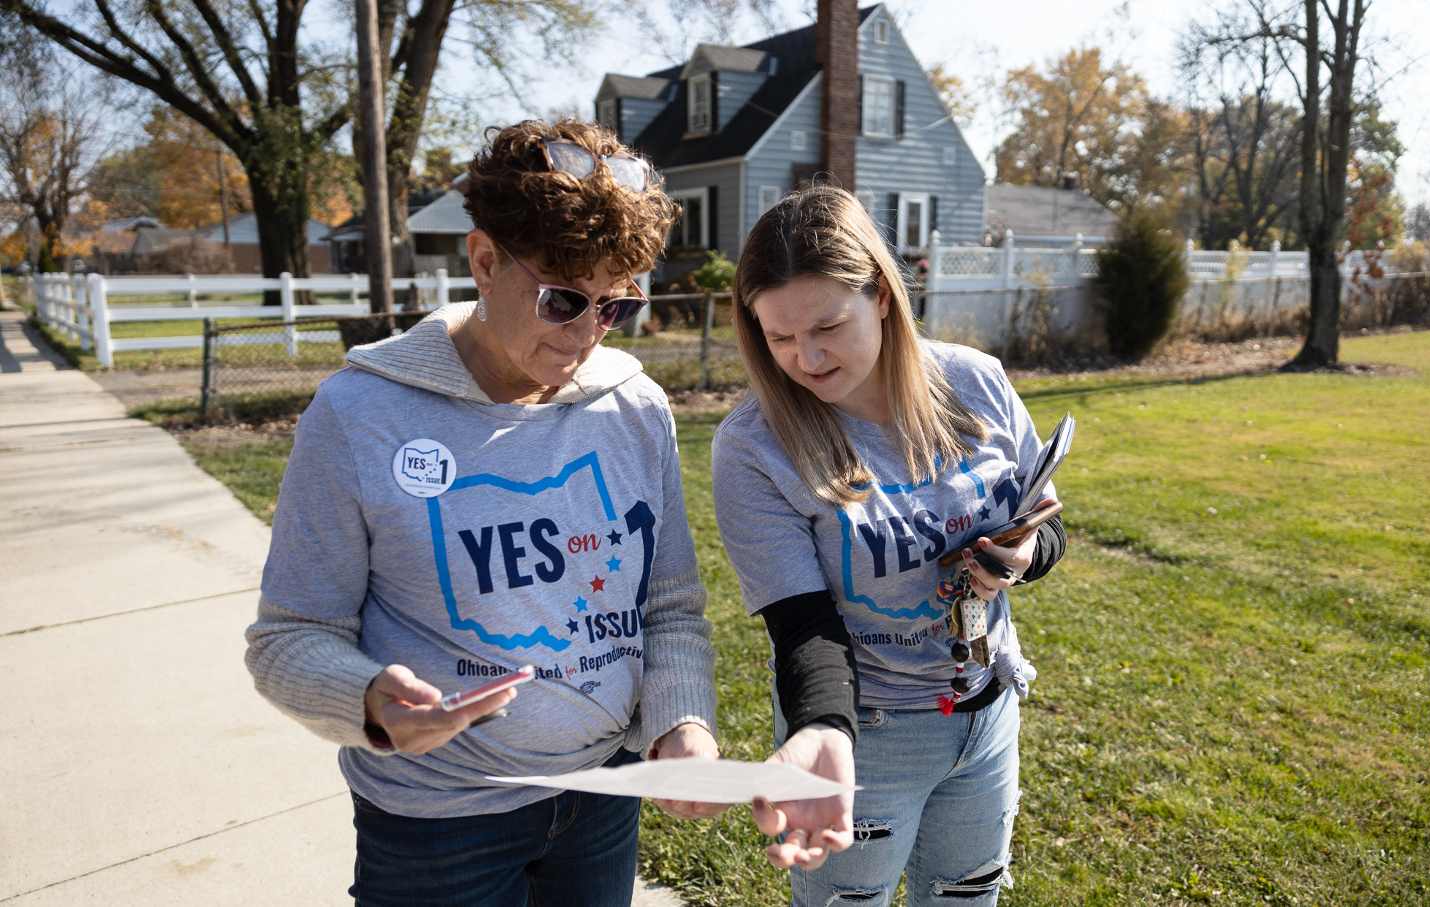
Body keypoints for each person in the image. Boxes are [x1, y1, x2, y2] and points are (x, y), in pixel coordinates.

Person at [245, 119, 723, 906]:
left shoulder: (636, 408)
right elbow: (289, 637)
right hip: (437, 821)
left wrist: (683, 724)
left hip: (603, 798)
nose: (585, 333)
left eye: (614, 306)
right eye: (563, 299)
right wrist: (367, 699)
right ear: (484, 259)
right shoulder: (359, 414)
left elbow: (669, 610)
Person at [711, 185, 1066, 906]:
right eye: (779, 337)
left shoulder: (978, 382)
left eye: (827, 326)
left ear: (880, 293)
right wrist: (824, 732)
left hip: (988, 712)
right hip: (865, 736)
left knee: (967, 896)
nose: (806, 357)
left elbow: (1049, 521)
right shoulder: (753, 448)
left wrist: (1026, 557)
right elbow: (804, 626)